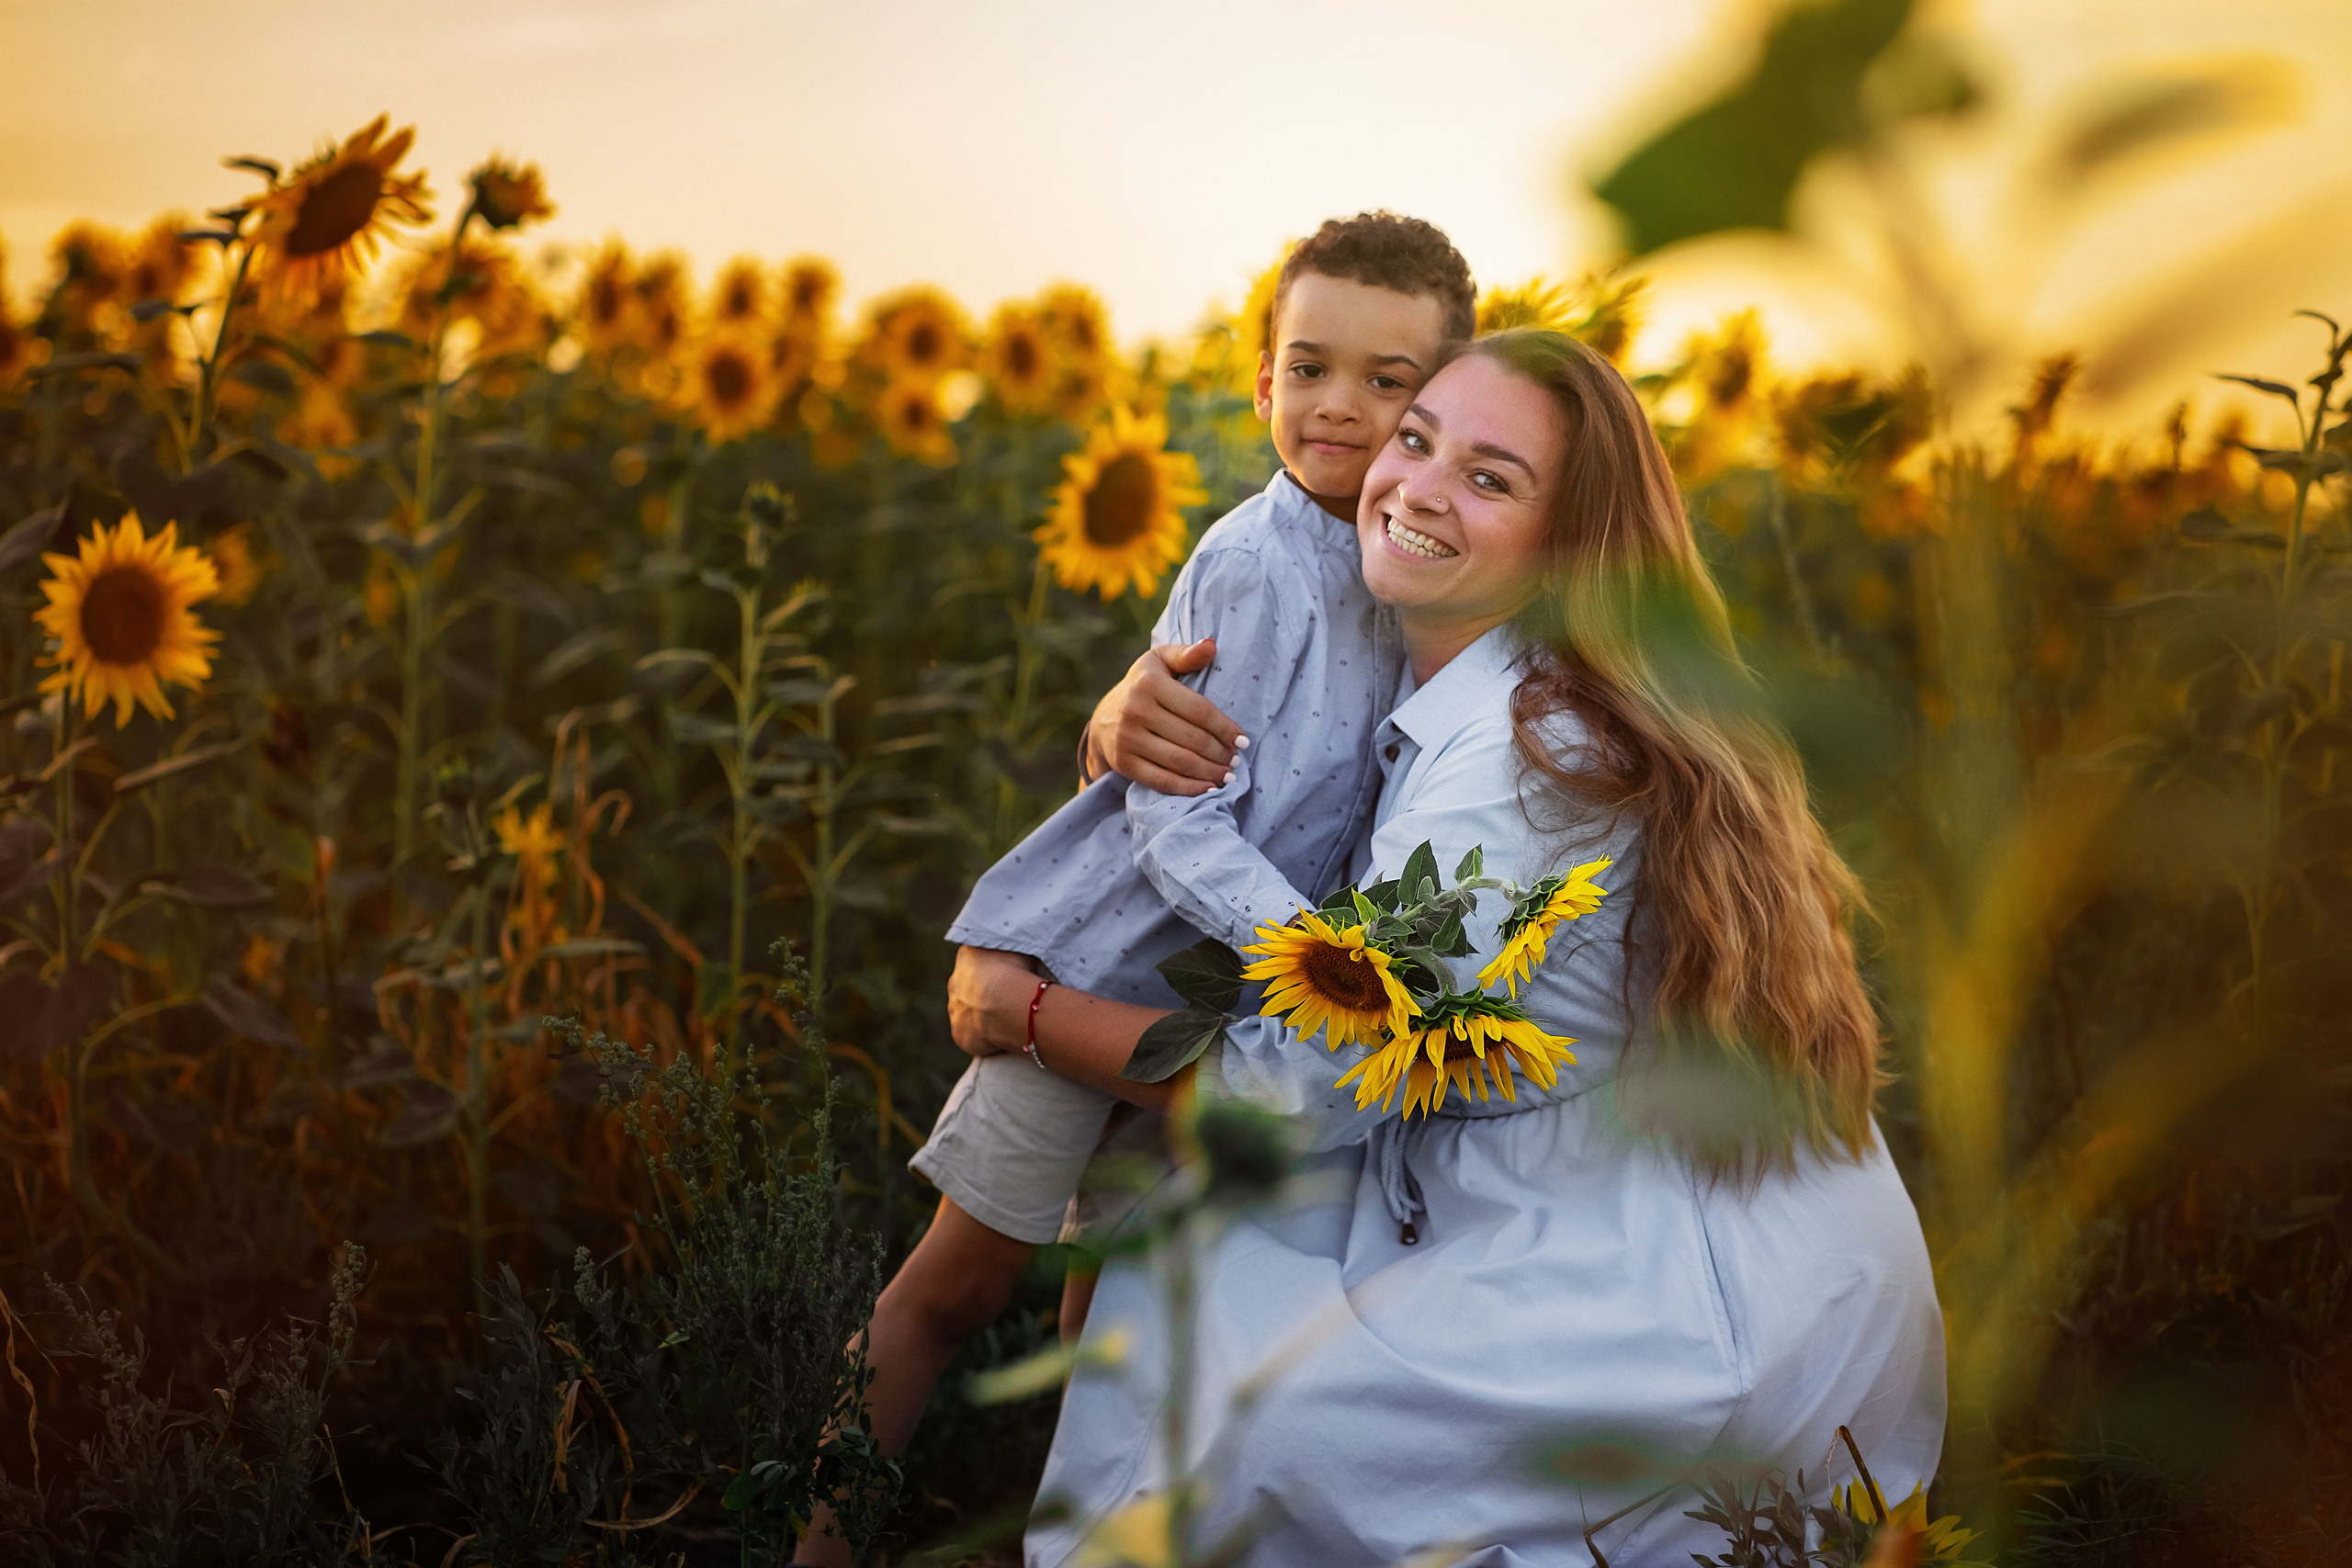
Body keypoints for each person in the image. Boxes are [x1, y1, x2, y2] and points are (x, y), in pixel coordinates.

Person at [949, 332, 1947, 1566]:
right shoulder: (1473, 668)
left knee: (1250, 1398)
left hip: (1678, 1298)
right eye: (1415, 440)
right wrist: (1118, 720)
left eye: (1489, 478)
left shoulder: (1531, 770)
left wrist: (1024, 1016)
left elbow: (1298, 1090)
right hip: (1661, 1200)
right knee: (1199, 1267)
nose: (1417, 487)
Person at [791, 213, 1477, 1566]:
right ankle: (815, 1542)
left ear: (1432, 410)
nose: (1339, 405)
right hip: (1098, 968)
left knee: (1110, 1318)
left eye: (1386, 381)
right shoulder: (1251, 561)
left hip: (1210, 1017)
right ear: (1263, 380)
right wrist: (1312, 954)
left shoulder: (1402, 575)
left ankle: (1059, 1543)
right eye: (1309, 367)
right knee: (949, 1292)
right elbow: (1172, 819)